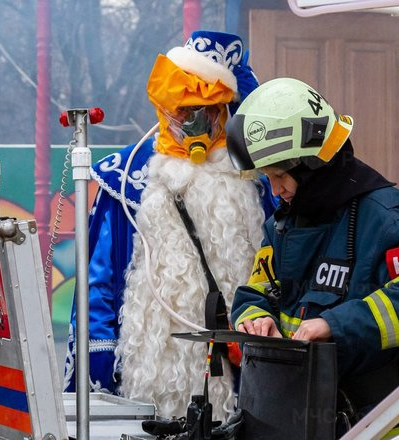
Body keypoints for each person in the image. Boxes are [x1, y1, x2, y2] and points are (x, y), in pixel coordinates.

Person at [64, 30, 277, 421]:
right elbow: (98, 284)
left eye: (203, 111)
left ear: (223, 111)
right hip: (148, 384)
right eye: (181, 110)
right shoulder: (125, 179)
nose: (190, 122)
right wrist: (99, 366)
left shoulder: (258, 183)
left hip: (240, 383)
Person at [227, 77, 399, 431]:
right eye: (267, 177)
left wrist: (336, 325)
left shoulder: (387, 218)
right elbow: (256, 290)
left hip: (376, 420)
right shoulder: (282, 224)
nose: (275, 190)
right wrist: (255, 319)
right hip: (291, 414)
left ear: (311, 165)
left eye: (280, 175)